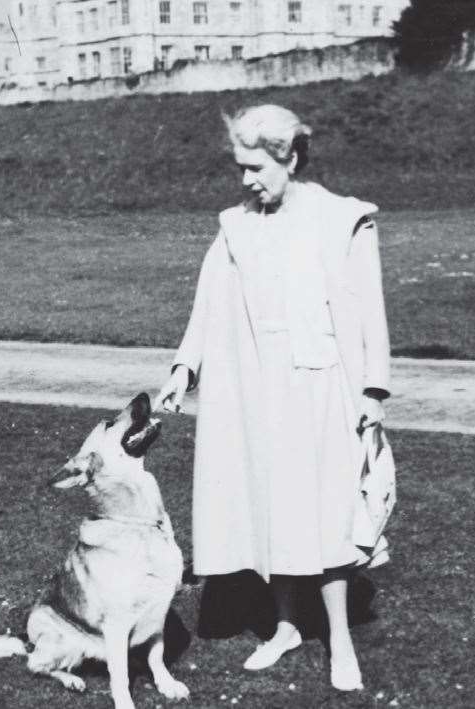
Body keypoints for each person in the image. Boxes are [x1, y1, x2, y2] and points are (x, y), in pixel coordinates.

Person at [156, 104, 391, 692]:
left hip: (320, 385)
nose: (245, 179)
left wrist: (373, 392)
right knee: (272, 507)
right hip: (255, 388)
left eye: (256, 167)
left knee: (328, 510)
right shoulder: (236, 225)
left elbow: (369, 310)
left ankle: (339, 639)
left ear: (289, 159)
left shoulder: (342, 219)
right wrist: (185, 368)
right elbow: (207, 305)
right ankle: (286, 626)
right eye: (240, 167)